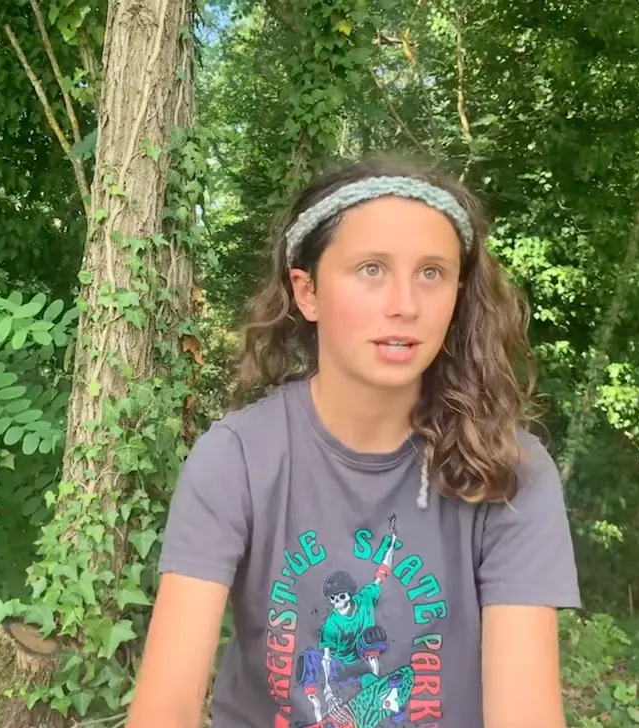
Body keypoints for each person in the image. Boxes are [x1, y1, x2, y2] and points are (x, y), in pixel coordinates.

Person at [124, 153, 582, 728]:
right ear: (308, 292)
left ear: (457, 296)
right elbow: (163, 710)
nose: (405, 305)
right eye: (371, 269)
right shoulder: (236, 460)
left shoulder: (509, 471)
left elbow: (525, 714)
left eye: (431, 273)